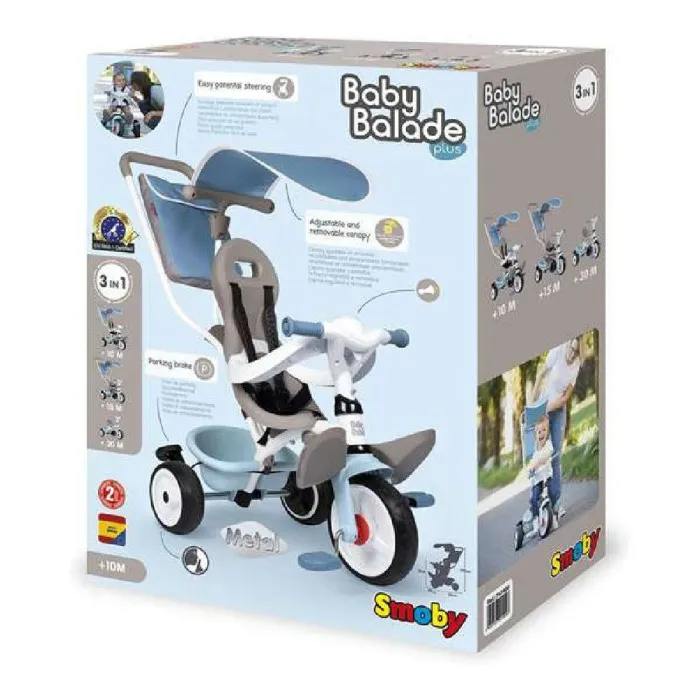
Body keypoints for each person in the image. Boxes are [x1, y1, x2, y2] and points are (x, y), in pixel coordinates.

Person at [533, 337, 582, 519]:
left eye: (576, 351)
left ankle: (555, 503)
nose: (571, 353)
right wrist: (533, 404)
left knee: (556, 455)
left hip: (557, 409)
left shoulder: (576, 364)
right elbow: (541, 374)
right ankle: (536, 503)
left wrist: (548, 408)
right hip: (543, 406)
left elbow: (565, 398)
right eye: (571, 348)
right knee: (540, 456)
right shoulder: (558, 350)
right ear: (567, 344)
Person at [522, 414, 554, 534]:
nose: (541, 433)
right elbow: (531, 464)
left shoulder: (548, 445)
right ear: (535, 435)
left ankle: (552, 515)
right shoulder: (535, 451)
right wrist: (530, 469)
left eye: (544, 430)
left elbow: (546, 455)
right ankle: (536, 520)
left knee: (551, 494)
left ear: (548, 431)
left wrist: (538, 463)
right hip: (537, 480)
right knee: (534, 499)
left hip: (547, 476)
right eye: (538, 432)